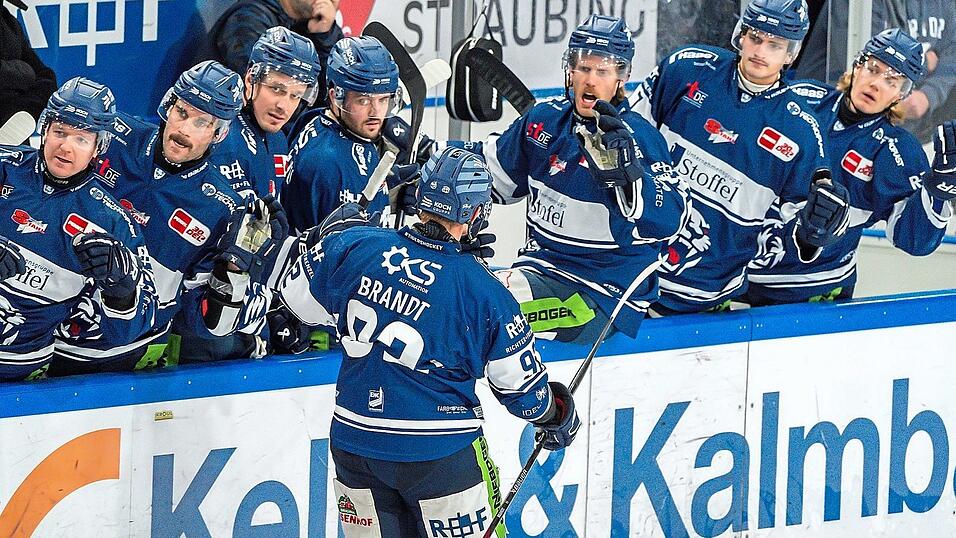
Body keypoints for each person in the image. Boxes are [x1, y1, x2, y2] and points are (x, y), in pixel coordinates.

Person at [275, 147, 580, 537]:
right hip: (440, 457)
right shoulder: (485, 292)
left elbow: (297, 299)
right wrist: (555, 413)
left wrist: (327, 235)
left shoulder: (358, 246)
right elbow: (524, 394)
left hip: (355, 443)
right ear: (474, 213)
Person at [412, 15, 688, 344]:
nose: (590, 80)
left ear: (621, 78)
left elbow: (674, 217)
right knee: (443, 293)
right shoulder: (543, 119)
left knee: (477, 313)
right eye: (583, 68)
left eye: (602, 71)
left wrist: (632, 183)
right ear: (569, 70)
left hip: (597, 297)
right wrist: (424, 153)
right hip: (537, 270)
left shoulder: (638, 139)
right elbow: (488, 170)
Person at [50, 61, 284, 374]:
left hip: (125, 352)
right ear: (168, 106)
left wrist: (234, 272)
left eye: (202, 122)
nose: (184, 130)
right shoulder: (112, 139)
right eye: (182, 112)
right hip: (47, 327)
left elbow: (208, 324)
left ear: (218, 133)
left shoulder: (223, 210)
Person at [630, 0, 850, 315]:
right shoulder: (686, 68)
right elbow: (630, 134)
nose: (761, 50)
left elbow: (794, 226)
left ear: (791, 54)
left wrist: (810, 234)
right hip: (629, 269)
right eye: (756, 37)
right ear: (741, 35)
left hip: (706, 294)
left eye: (775, 44)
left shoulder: (800, 130)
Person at [746, 29, 956, 305]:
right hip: (740, 273)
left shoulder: (896, 151)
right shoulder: (799, 98)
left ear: (901, 94)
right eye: (873, 69)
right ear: (857, 67)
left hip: (812, 290)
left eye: (892, 81)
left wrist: (938, 191)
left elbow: (916, 241)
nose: (876, 84)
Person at [0, 77, 156, 381]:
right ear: (44, 130)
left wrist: (121, 290)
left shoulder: (113, 221)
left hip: (22, 370)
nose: (66, 147)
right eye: (60, 132)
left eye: (81, 139)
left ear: (99, 147)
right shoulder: (5, 167)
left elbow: (134, 325)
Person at [283, 35, 404, 233]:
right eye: (363, 100)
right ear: (335, 96)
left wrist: (390, 191)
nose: (375, 113)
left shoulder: (320, 121)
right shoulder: (328, 162)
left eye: (383, 100)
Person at [210, 26, 321, 202]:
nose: (283, 106)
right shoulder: (221, 138)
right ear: (250, 80)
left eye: (295, 96)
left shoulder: (278, 141)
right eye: (276, 89)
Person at [206, 0, 341, 110]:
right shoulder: (250, 18)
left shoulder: (321, 30)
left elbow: (333, 102)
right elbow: (257, 95)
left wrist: (324, 39)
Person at [0, 0, 57, 143]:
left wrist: (23, 110)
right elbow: (31, 72)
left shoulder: (8, 20)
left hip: (14, 136)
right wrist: (25, 71)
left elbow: (46, 76)